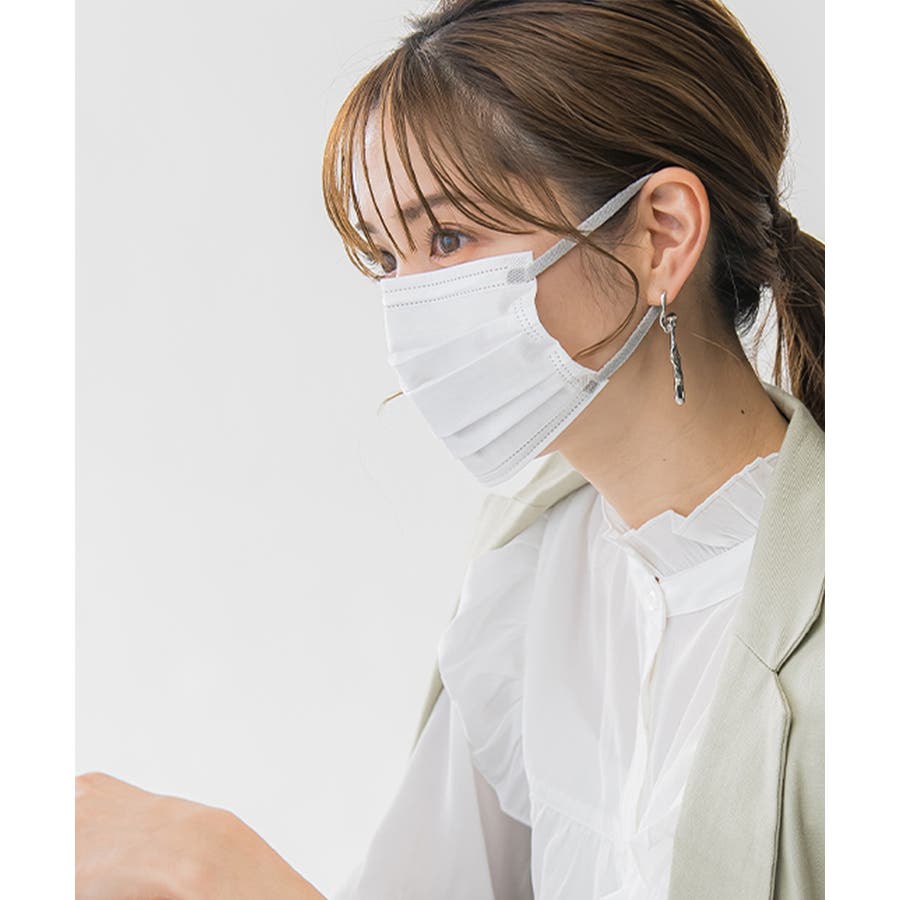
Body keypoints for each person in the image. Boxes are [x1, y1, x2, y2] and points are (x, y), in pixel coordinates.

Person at [75, 1, 823, 897]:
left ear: (663, 233)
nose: (410, 310)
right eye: (388, 258)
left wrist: (218, 869)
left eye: (449, 238)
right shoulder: (531, 567)